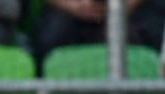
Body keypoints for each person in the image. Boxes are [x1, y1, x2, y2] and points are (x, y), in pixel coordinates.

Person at [34, 0, 165, 63]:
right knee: (55, 33)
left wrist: (121, 5)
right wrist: (71, 4)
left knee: (132, 39)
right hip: (68, 12)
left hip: (135, 11)